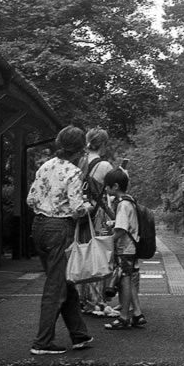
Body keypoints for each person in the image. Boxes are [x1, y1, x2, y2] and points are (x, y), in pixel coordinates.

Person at [25, 126, 96, 355]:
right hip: (60, 228)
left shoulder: (45, 166)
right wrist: (90, 206)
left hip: (38, 226)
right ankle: (42, 342)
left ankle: (79, 335)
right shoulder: (74, 172)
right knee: (56, 287)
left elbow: (30, 199)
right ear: (80, 150)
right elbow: (76, 209)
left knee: (64, 281)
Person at [79, 128, 118, 317]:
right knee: (100, 257)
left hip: (79, 216)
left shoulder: (78, 161)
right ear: (103, 144)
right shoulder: (104, 166)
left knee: (82, 255)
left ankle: (83, 299)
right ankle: (97, 302)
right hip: (98, 217)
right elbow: (112, 191)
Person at [101, 168, 147, 330]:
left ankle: (124, 317)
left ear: (114, 186)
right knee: (131, 280)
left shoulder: (122, 204)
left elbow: (121, 229)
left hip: (126, 248)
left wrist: (108, 241)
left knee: (124, 281)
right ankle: (137, 314)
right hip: (133, 247)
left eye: (107, 186)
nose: (106, 189)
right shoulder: (130, 201)